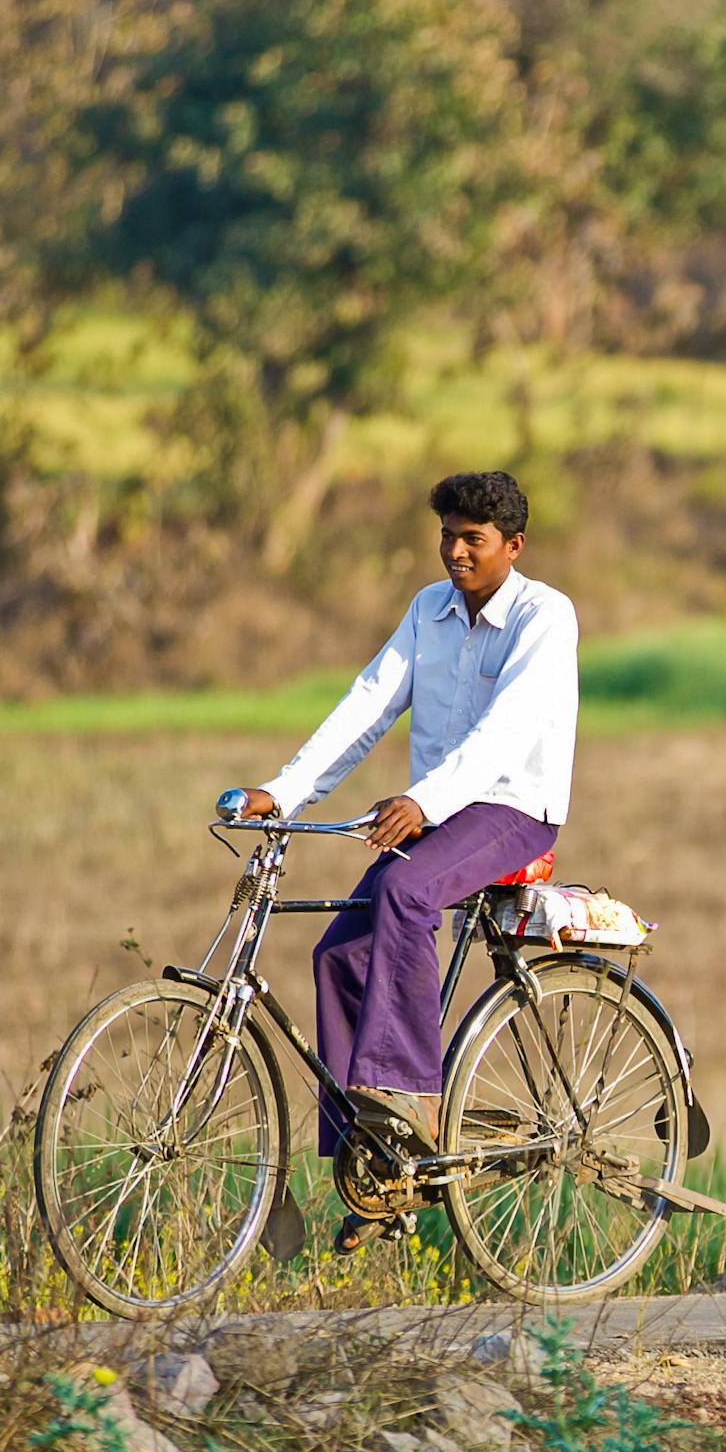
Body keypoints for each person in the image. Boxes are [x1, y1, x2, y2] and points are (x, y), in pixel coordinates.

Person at [225, 471, 576, 1249]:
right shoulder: (429, 610)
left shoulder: (545, 617)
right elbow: (368, 704)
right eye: (447, 535)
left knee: (408, 895)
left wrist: (427, 801)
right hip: (440, 807)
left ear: (512, 548)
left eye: (473, 540)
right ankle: (379, 1166)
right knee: (339, 953)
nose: (454, 551)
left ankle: (414, 1094)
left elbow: (508, 733)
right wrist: (283, 793)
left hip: (513, 808)